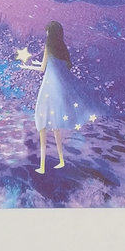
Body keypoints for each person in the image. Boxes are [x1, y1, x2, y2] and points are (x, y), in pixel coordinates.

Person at [20, 20, 88, 174]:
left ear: (50, 33)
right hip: (58, 89)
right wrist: (40, 63)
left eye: (47, 31)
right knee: (55, 125)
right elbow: (60, 66)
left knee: (42, 124)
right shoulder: (62, 48)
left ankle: (42, 166)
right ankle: (61, 161)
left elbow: (42, 69)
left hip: (48, 87)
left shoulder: (48, 45)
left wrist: (27, 66)